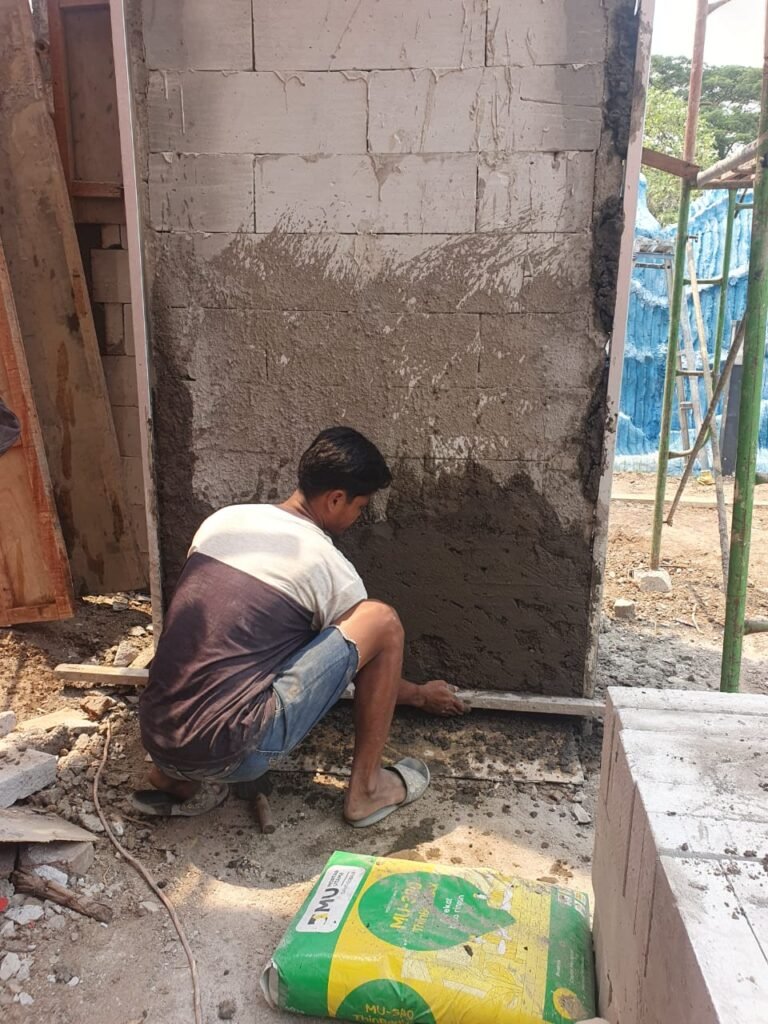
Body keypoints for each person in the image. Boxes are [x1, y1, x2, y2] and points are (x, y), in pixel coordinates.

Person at [134, 427, 466, 827]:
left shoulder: (224, 521)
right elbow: (358, 668)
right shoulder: (329, 567)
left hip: (156, 735)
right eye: (360, 507)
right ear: (336, 499)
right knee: (381, 622)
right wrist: (420, 695)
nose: (358, 518)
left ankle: (176, 780)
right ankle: (367, 790)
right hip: (235, 753)